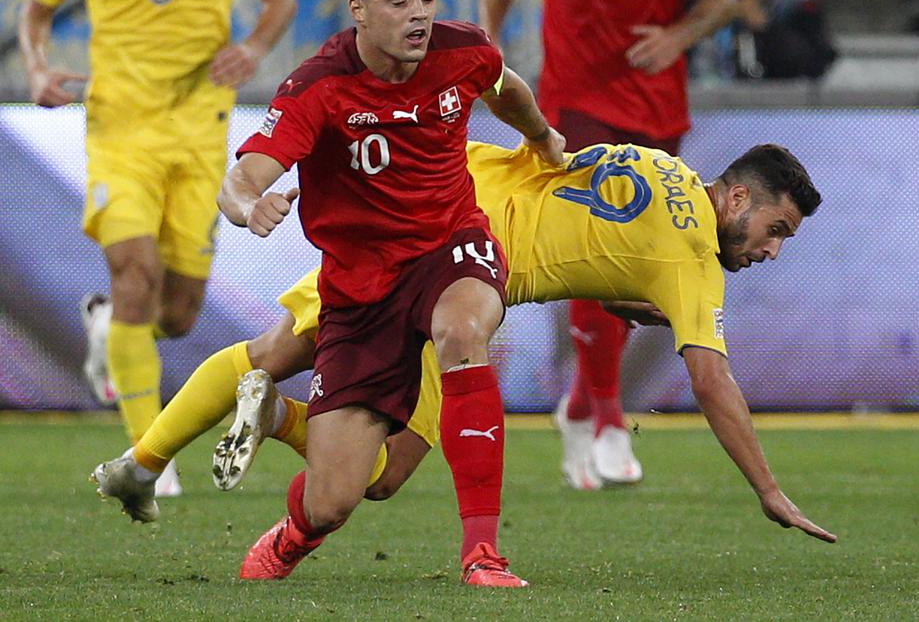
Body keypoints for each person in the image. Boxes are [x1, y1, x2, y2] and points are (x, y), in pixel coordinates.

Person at [92, 140, 836, 581]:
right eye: (774, 229)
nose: (769, 250)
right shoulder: (695, 259)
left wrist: (612, 295)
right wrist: (767, 489)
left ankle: (152, 457)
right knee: (382, 469)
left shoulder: (658, 163)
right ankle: (471, 548)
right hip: (460, 279)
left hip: (418, 215)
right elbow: (712, 380)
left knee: (279, 354)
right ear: (736, 197)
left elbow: (560, 190)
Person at [214, 0, 564, 588]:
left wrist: (541, 137)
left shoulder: (462, 51)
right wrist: (246, 205)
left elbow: (505, 85)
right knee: (346, 496)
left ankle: (483, 554)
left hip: (449, 248)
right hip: (358, 291)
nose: (418, 14)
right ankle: (295, 534)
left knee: (464, 330)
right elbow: (243, 176)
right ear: (359, 10)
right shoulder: (318, 86)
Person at [19, 0, 298, 497]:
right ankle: (149, 458)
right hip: (120, 130)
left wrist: (253, 47)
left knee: (175, 316)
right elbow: (37, 12)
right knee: (135, 272)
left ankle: (106, 322)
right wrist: (38, 67)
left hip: (199, 134)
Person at [478, 0, 741, 489]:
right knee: (591, 250)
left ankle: (580, 402)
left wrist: (678, 37)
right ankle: (607, 417)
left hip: (656, 105)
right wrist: (490, 40)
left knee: (639, 263)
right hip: (575, 100)